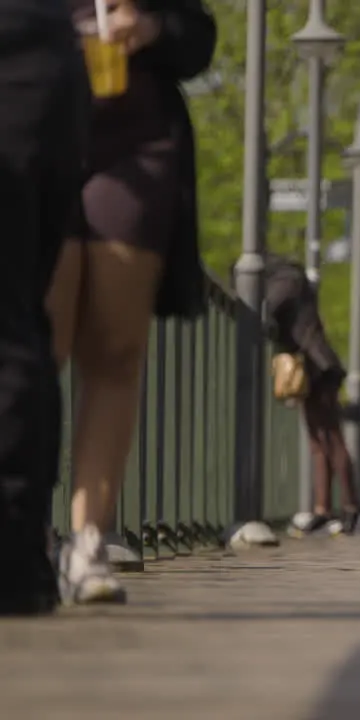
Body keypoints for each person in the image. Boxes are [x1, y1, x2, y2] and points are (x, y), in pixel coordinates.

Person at [46, 0, 215, 606]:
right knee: (43, 344)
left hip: (139, 143)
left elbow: (198, 39)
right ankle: (22, 529)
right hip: (41, 126)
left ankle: (89, 539)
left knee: (116, 351)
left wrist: (149, 27)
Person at [0, 0, 89, 615]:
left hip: (31, 52)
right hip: (41, 53)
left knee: (15, 315)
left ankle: (17, 551)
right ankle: (19, 557)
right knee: (17, 313)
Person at [262, 252, 360, 537]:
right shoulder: (294, 279)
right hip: (315, 365)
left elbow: (269, 308)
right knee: (319, 441)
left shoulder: (285, 281)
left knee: (330, 438)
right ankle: (324, 508)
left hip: (317, 367)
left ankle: (350, 506)